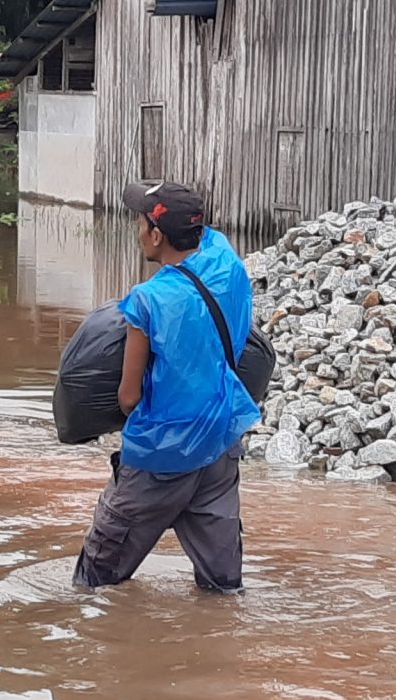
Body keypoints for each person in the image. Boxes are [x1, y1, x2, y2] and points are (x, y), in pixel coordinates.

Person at [74, 183, 260, 592]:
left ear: (156, 235)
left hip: (160, 458)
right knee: (223, 590)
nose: (137, 230)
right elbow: (206, 235)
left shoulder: (148, 299)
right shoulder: (227, 261)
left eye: (140, 223)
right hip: (219, 446)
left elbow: (129, 398)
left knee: (93, 587)